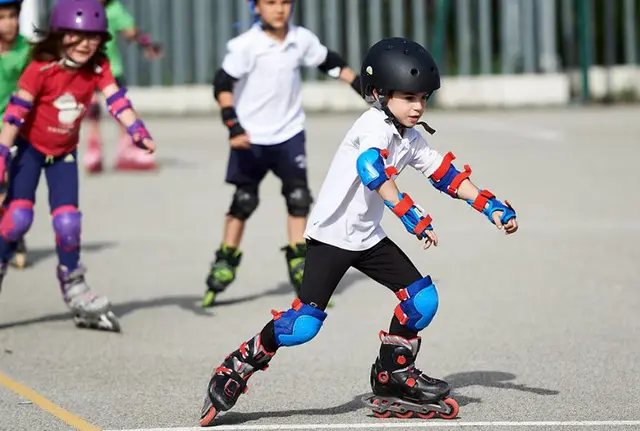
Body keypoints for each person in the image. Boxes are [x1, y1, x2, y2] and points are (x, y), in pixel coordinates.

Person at [198, 37, 518, 426]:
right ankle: (238, 366)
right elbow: (372, 169)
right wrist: (408, 212)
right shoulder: (372, 126)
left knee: (422, 301)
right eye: (408, 97)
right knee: (301, 327)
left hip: (367, 238)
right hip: (332, 238)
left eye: (423, 97)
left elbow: (445, 174)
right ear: (380, 94)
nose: (418, 106)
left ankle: (393, 373)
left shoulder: (409, 136)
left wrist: (490, 205)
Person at [0, 0, 156, 332]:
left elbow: (116, 99)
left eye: (94, 37)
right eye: (77, 35)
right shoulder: (40, 68)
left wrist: (136, 129)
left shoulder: (98, 68)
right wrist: (2, 152)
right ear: (60, 34)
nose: (87, 43)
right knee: (16, 220)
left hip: (64, 154)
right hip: (28, 149)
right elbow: (15, 113)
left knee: (68, 223)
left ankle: (74, 286)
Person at [201, 0, 365, 308]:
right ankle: (224, 261)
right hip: (250, 137)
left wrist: (363, 87)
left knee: (299, 198)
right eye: (271, 2)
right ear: (256, 8)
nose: (280, 9)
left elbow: (329, 62)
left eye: (286, 2)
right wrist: (232, 124)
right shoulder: (246, 45)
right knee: (244, 200)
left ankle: (301, 265)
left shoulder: (299, 39)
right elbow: (222, 83)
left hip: (289, 133)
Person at [82, 0, 162, 174]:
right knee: (93, 107)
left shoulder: (114, 9)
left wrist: (146, 45)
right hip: (87, 68)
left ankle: (126, 147)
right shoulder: (82, 7)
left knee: (121, 108)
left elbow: (131, 31)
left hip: (111, 69)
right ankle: (94, 147)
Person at [0, 0, 29, 269]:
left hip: (12, 129)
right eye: (2, 17)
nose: (9, 23)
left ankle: (15, 237)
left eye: (13, 16)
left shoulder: (27, 51)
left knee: (7, 186)